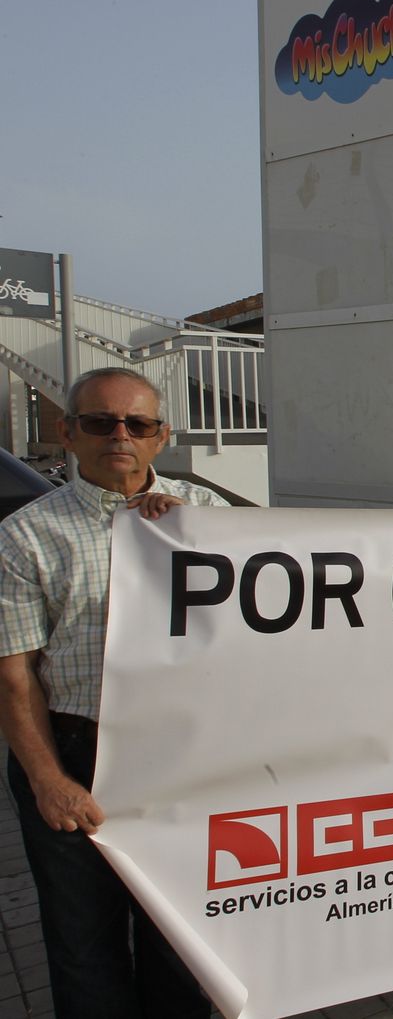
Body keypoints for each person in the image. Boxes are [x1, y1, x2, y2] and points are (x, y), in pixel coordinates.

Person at [0, 367, 228, 1017]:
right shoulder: (24, 536)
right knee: (84, 942)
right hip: (76, 748)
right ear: (68, 433)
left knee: (182, 936)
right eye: (100, 422)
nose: (120, 435)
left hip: (183, 752)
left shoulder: (208, 514)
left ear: (162, 437)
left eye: (138, 423)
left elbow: (278, 593)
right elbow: (13, 672)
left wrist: (207, 543)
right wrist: (47, 778)